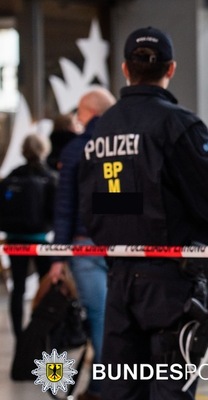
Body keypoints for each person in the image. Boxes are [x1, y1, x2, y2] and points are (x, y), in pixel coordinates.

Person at [78, 27, 208, 400]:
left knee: (121, 392)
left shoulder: (102, 128)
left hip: (119, 282)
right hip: (171, 284)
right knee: (169, 390)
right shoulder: (177, 124)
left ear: (124, 69)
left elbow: (99, 208)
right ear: (171, 68)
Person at [47, 87, 116, 400]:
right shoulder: (121, 146)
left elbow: (65, 208)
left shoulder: (76, 149)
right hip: (123, 248)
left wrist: (58, 257)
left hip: (84, 247)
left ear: (87, 112)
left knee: (100, 320)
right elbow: (130, 202)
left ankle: (104, 388)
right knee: (117, 319)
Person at [1, 134, 56, 338]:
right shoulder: (49, 176)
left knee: (18, 288)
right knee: (46, 286)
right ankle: (41, 330)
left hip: (14, 239)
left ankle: (19, 336)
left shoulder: (12, 176)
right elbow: (55, 211)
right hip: (40, 239)